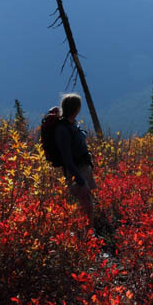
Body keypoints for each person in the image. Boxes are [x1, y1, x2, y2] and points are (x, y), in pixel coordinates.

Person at [54, 93, 95, 223]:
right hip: (77, 171)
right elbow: (67, 159)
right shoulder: (63, 129)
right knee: (86, 203)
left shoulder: (71, 124)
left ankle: (87, 233)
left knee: (86, 203)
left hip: (83, 168)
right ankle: (88, 236)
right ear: (75, 109)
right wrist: (81, 182)